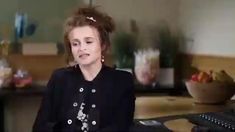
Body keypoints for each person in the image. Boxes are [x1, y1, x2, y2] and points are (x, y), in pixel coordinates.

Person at [33, 7, 135, 132]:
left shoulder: (122, 81)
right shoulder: (59, 79)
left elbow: (120, 128)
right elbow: (40, 127)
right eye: (75, 44)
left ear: (102, 45)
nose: (82, 48)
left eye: (88, 42)